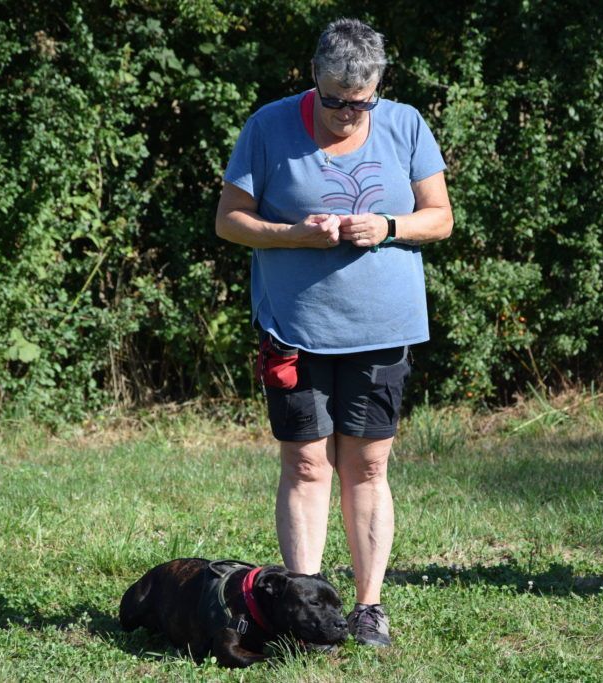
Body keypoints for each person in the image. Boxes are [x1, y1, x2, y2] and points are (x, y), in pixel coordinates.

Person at [215, 17, 453, 647]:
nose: (348, 114)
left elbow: (441, 218)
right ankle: (303, 604)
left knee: (368, 467)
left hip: (382, 329)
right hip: (294, 328)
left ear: (379, 87)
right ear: (312, 76)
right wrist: (296, 233)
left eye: (361, 102)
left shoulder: (405, 125)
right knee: (305, 464)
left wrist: (389, 228)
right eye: (335, 101)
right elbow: (230, 221)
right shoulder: (267, 128)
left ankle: (369, 607)